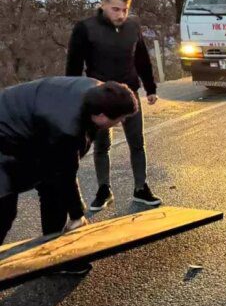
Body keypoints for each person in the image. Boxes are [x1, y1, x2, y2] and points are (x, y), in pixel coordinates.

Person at [0, 77, 138, 248]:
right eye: (121, 117)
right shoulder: (66, 127)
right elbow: (66, 172)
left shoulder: (98, 93)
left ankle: (53, 251)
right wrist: (77, 215)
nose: (122, 121)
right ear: (101, 116)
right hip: (7, 133)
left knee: (53, 188)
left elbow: (61, 170)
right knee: (4, 210)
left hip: (29, 133)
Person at [66, 0, 162, 210]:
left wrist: (150, 88)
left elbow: (141, 58)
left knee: (137, 143)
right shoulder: (85, 28)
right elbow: (73, 64)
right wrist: (72, 95)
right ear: (103, 5)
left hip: (129, 95)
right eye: (115, 9)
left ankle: (141, 188)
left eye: (125, 9)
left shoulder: (133, 26)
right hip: (100, 96)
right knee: (102, 145)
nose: (121, 14)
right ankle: (103, 190)